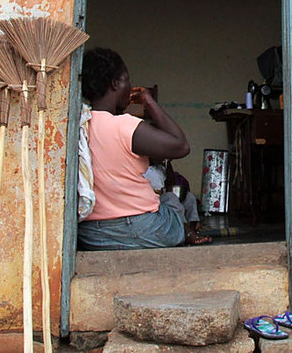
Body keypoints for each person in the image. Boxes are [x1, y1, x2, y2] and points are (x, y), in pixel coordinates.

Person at [77, 47, 211, 249]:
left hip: (92, 235)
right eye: (126, 80)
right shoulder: (123, 125)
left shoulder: (79, 124)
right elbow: (181, 146)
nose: (129, 86)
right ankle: (188, 230)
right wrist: (149, 101)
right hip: (139, 229)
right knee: (171, 205)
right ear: (115, 84)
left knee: (166, 200)